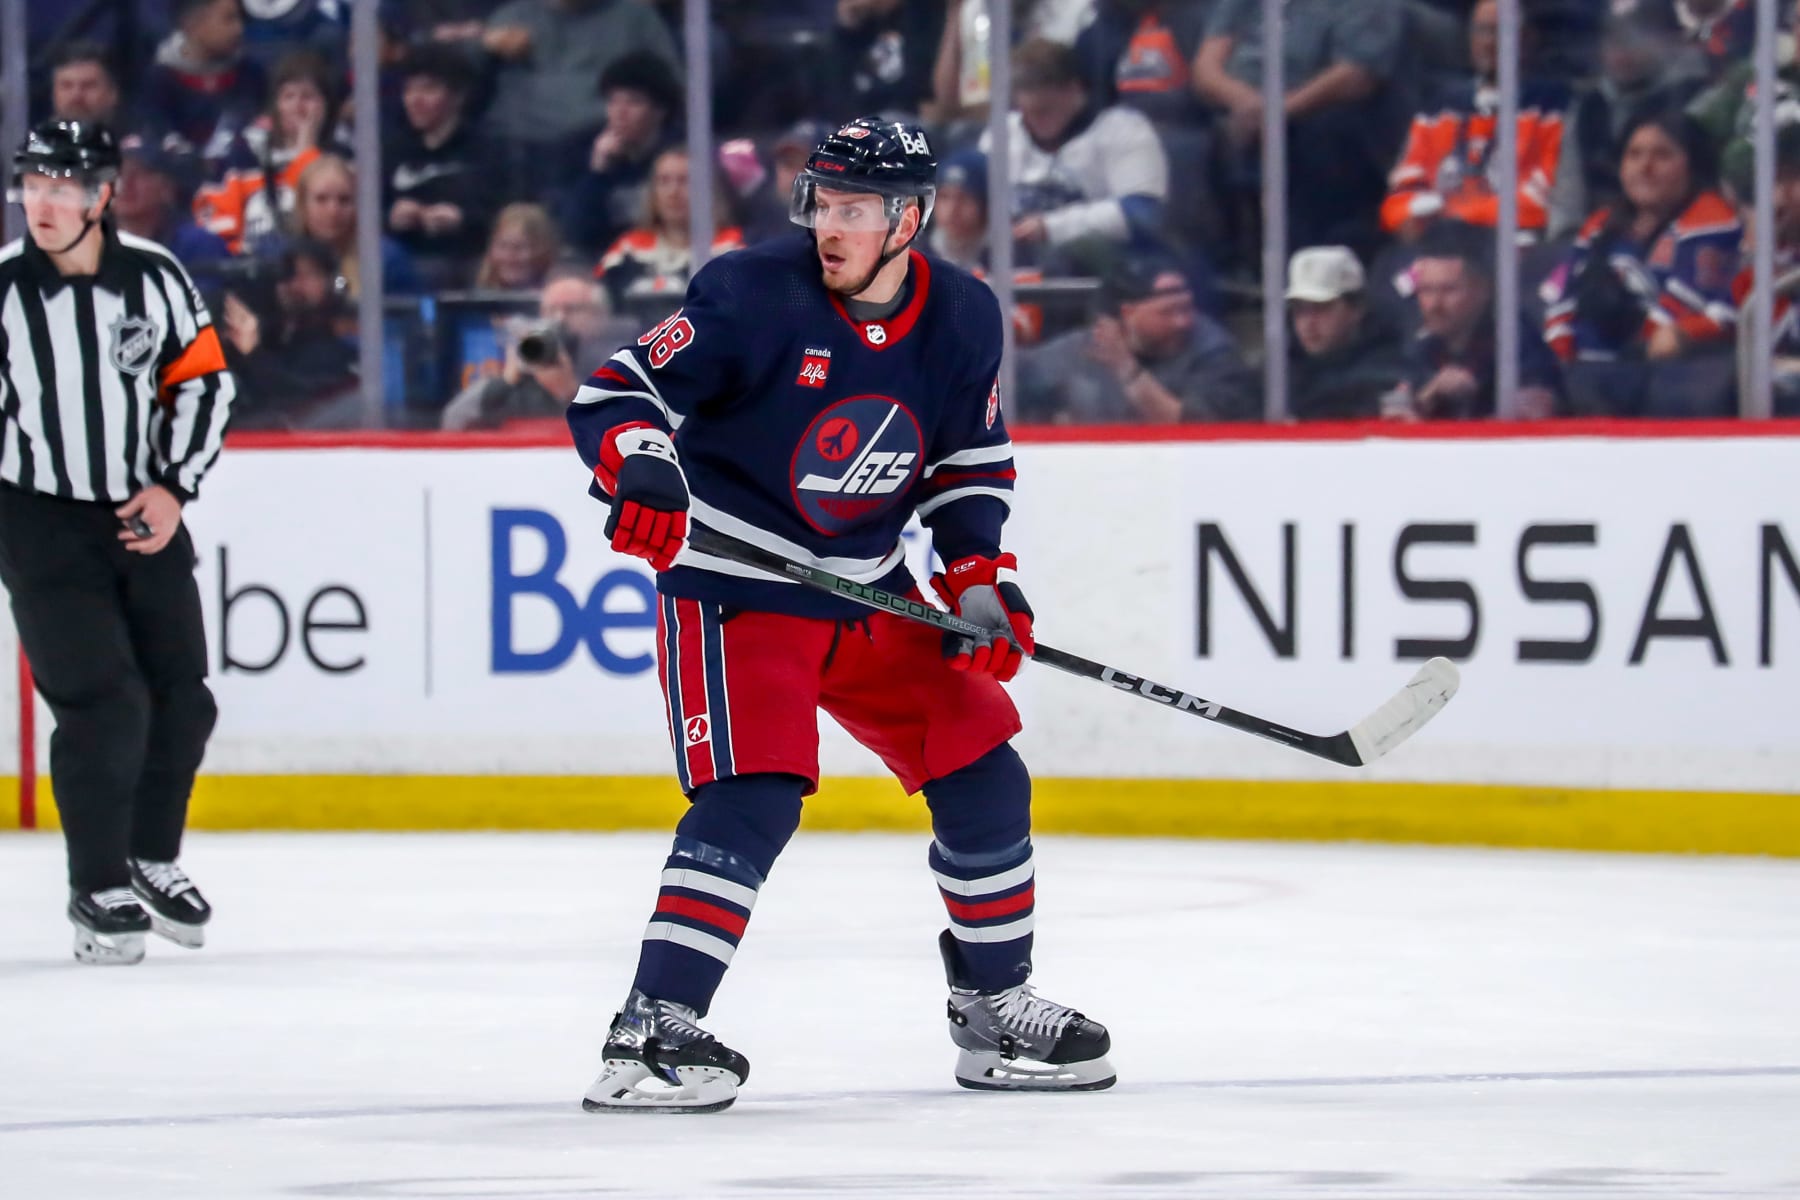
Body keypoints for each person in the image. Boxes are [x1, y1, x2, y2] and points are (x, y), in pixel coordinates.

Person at [567, 117, 1114, 1112]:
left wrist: (980, 579)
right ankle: (653, 1026)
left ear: (912, 218)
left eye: (857, 208)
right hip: (736, 588)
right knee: (756, 794)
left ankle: (993, 1007)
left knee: (984, 766)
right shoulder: (750, 292)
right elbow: (617, 391)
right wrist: (644, 466)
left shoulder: (962, 317)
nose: (831, 224)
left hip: (868, 590)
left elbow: (962, 465)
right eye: (822, 201)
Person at [0, 120, 236, 965]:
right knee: (105, 705)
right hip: (38, 518)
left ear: (102, 195)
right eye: (33, 184)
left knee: (185, 698)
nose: (44, 203)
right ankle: (96, 881)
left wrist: (173, 489)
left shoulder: (156, 278)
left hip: (143, 510)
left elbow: (205, 382)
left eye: (64, 187)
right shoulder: (3, 289)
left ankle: (150, 855)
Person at [1543, 110, 1741, 417]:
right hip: (1584, 379)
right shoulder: (1599, 224)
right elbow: (1560, 302)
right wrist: (1562, 367)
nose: (1644, 168)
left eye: (1662, 155)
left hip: (1659, 386)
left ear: (1692, 165)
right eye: (1634, 155)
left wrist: (1605, 377)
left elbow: (1672, 322)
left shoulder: (1713, 220)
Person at [1381, 0, 1571, 243]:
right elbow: (1401, 193)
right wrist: (1410, 216)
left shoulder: (1554, 105)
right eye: (1482, 31)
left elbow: (1549, 198)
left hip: (1515, 249)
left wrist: (1459, 218)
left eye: (1501, 31)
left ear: (1528, 38)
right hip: (1439, 244)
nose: (1489, 42)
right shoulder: (1439, 107)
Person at [981, 38, 1170, 266]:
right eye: (1027, 111)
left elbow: (1142, 214)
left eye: (1045, 110)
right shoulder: (1003, 133)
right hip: (1016, 266)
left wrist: (1052, 227)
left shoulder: (1124, 129)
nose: (1034, 120)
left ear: (1074, 90)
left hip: (1101, 267)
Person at [1016, 254, 1258, 423]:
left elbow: (1194, 429)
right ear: (1127, 314)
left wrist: (1128, 371)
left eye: (1186, 308)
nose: (1183, 321)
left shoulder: (1214, 352)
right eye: (1168, 312)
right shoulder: (1082, 350)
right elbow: (1014, 379)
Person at [1388, 223, 1563, 421]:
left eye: (1449, 290)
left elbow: (1536, 413)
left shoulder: (1516, 345)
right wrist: (1424, 400)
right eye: (1426, 290)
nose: (1434, 304)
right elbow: (1394, 409)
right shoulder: (1422, 349)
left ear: (1483, 290)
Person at [383, 43, 499, 287]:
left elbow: (504, 213)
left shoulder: (488, 149)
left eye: (428, 89)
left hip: (467, 260)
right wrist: (391, 218)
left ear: (458, 96)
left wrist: (462, 220)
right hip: (400, 262)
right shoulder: (393, 149)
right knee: (347, 278)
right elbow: (365, 214)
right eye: (409, 90)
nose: (415, 100)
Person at [558, 51, 685, 261]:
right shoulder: (579, 148)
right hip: (603, 261)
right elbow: (575, 232)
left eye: (633, 102)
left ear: (660, 110)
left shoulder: (682, 155)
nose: (619, 112)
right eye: (612, 102)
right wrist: (597, 172)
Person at [594, 146, 745, 309]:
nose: (673, 192)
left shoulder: (734, 248)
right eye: (663, 181)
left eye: (684, 181)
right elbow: (598, 303)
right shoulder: (627, 249)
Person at [1285, 246, 1409, 421]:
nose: (1308, 323)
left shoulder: (1389, 373)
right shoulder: (1277, 374)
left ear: (1357, 309)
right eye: (1299, 309)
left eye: (1321, 308)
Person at [473, 203, 563, 290]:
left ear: (543, 250)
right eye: (503, 246)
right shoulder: (473, 292)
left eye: (520, 247)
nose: (509, 256)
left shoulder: (562, 292)